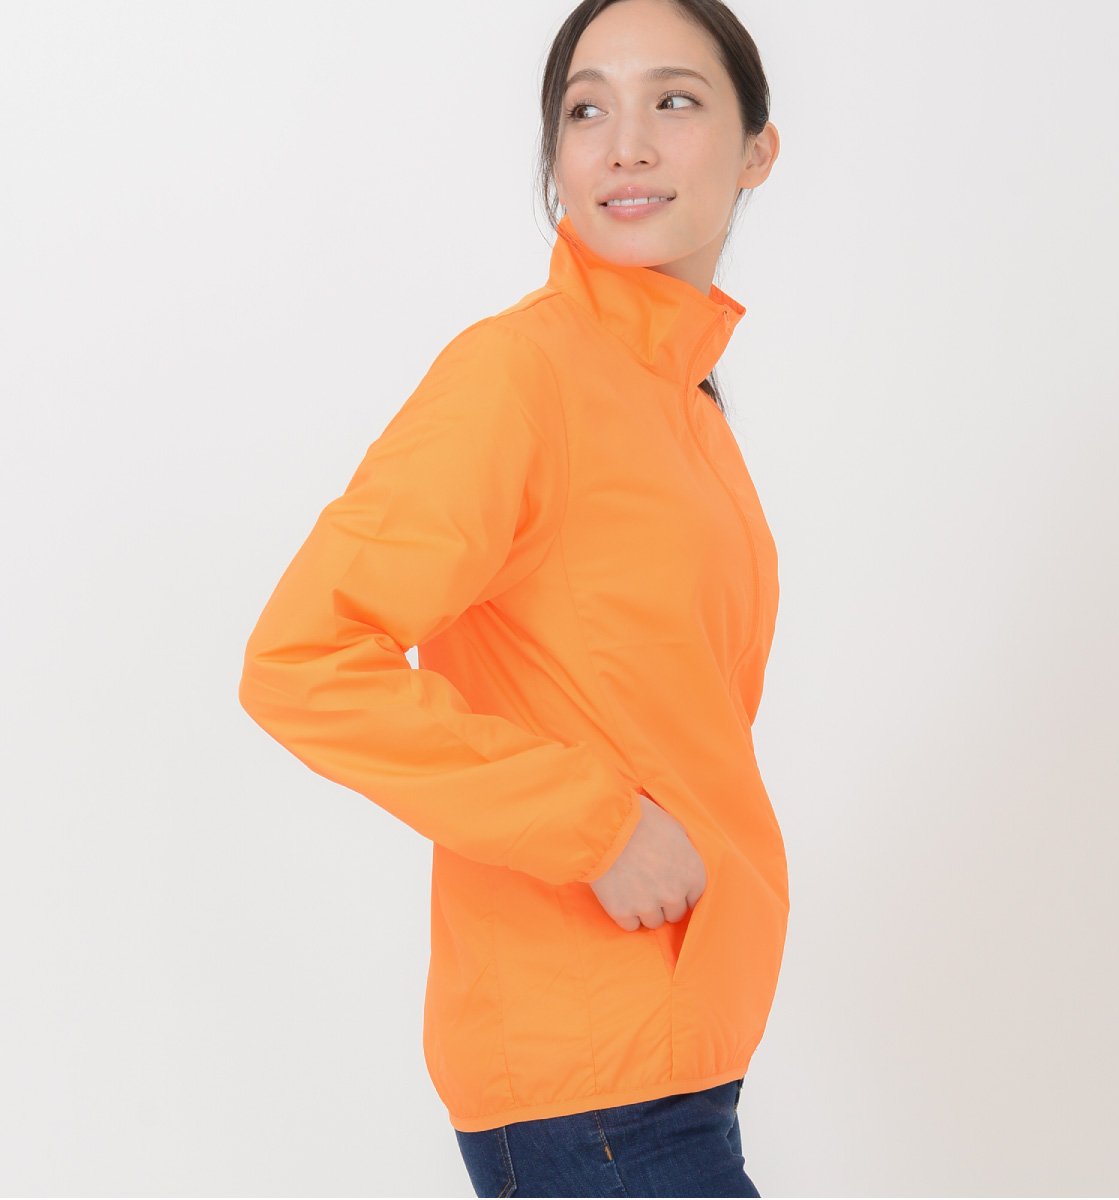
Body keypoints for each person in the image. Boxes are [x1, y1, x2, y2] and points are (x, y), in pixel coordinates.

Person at [238, 0, 783, 1193]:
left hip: (674, 1062)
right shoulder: (519, 375)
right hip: (592, 1083)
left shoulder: (683, 407)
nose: (625, 145)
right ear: (557, 158)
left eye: (674, 101)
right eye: (587, 111)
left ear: (757, 150)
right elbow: (302, 661)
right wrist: (599, 827)